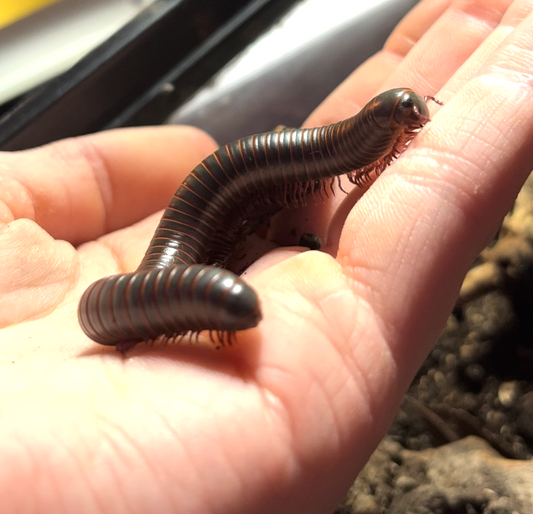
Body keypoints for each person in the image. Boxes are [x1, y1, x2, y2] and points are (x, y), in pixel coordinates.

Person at [0, 0, 530, 511]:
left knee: (273, 182)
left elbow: (341, 156)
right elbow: (342, 158)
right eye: (406, 118)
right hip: (115, 306)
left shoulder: (346, 144)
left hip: (139, 295)